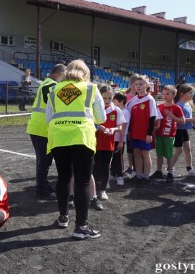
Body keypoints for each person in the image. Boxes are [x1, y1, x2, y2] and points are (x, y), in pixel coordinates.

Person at [46, 59, 105, 240]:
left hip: (58, 137)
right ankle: (81, 226)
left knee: (63, 178)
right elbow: (101, 117)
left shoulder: (54, 89)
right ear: (85, 73)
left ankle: (63, 217)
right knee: (82, 181)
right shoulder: (91, 88)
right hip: (82, 137)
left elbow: (49, 118)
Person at [26, 65, 63, 200]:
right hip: (42, 128)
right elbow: (52, 104)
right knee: (44, 161)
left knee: (43, 160)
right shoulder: (51, 85)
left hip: (38, 126)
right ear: (60, 73)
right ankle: (41, 189)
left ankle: (42, 186)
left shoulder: (47, 83)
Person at [126, 75, 159, 187]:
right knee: (136, 153)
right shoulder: (132, 101)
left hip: (145, 133)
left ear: (147, 85)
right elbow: (129, 118)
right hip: (134, 132)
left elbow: (152, 118)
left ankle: (146, 176)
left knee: (145, 153)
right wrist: (129, 131)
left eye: (141, 84)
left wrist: (149, 134)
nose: (138, 86)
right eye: (136, 84)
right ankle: (138, 174)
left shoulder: (150, 100)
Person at [94, 84, 125, 200]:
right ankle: (94, 189)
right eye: (104, 98)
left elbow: (120, 127)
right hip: (95, 143)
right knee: (95, 167)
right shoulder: (95, 109)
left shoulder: (116, 110)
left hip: (108, 144)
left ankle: (102, 190)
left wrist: (113, 129)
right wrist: (98, 127)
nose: (107, 101)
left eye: (109, 98)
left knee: (106, 166)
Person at [150, 85, 185, 183]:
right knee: (159, 154)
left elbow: (183, 121)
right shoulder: (159, 107)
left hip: (169, 135)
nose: (165, 96)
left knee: (169, 155)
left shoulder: (176, 107)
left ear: (173, 95)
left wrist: (172, 116)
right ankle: (158, 171)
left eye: (168, 94)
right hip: (158, 134)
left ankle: (170, 173)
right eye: (164, 94)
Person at [172, 84, 195, 176]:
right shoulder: (178, 105)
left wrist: (192, 121)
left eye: (192, 93)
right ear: (182, 94)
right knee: (178, 150)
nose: (192, 95)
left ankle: (189, 168)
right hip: (178, 130)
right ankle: (169, 168)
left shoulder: (187, 103)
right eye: (190, 93)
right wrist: (192, 120)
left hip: (184, 130)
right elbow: (178, 119)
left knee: (187, 149)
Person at [110, 92, 129, 186]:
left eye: (115, 101)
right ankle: (113, 174)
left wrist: (121, 141)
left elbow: (123, 128)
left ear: (121, 102)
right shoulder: (116, 111)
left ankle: (120, 176)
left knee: (119, 159)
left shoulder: (125, 112)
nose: (113, 103)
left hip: (119, 140)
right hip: (113, 139)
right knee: (113, 158)